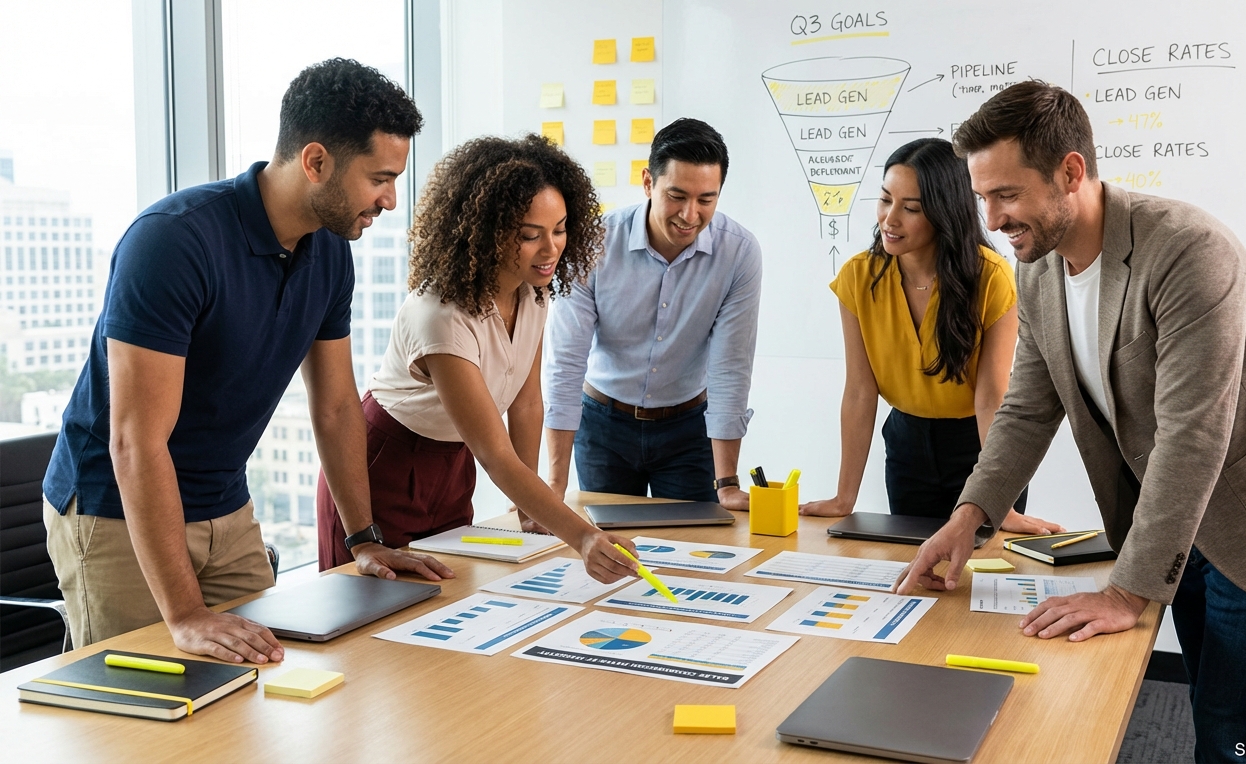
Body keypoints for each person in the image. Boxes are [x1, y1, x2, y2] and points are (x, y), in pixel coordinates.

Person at [895, 81, 1246, 763]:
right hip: (1177, 521)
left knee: (1238, 734)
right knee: (1212, 710)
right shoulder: (1037, 269)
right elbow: (1026, 408)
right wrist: (969, 519)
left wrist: (1127, 593)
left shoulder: (1189, 251)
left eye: (1006, 195)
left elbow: (1191, 434)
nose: (991, 220)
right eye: (982, 198)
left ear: (1071, 173)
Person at [42, 58, 453, 666]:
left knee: (264, 685)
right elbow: (135, 440)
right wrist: (182, 616)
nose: (391, 199)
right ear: (316, 162)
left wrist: (365, 541)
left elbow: (338, 406)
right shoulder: (174, 242)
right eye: (380, 178)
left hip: (226, 508)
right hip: (117, 515)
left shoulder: (332, 254)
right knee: (150, 711)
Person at [317, 135, 640, 584]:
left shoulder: (535, 293)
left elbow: (526, 404)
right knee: (374, 616)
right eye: (530, 235)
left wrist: (532, 507)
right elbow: (494, 452)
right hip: (384, 464)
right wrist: (582, 536)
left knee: (448, 600)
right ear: (487, 232)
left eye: (561, 229)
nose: (551, 250)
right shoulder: (442, 314)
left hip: (454, 463)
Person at [799, 138, 1062, 536]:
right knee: (915, 568)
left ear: (944, 212)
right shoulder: (859, 276)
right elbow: (859, 390)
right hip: (906, 445)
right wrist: (843, 497)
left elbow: (991, 397)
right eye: (886, 200)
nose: (890, 219)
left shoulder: (990, 277)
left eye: (911, 208)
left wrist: (1000, 502)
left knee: (979, 573)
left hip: (977, 449)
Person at [543, 118, 761, 510]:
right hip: (603, 423)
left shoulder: (739, 253)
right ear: (648, 183)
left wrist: (726, 482)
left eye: (706, 199)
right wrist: (553, 484)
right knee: (606, 555)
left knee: (694, 553)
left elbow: (731, 366)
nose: (690, 214)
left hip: (688, 429)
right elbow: (566, 361)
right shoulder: (593, 243)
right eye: (676, 196)